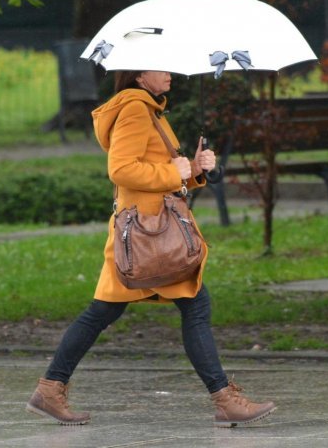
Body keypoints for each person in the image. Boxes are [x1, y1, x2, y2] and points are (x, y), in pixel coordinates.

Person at [26, 70, 276, 427]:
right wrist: (175, 172)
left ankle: (50, 389)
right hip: (149, 235)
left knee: (104, 313)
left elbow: (161, 170)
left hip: (146, 232)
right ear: (141, 75)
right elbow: (122, 170)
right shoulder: (134, 110)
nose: (170, 74)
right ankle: (225, 400)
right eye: (162, 67)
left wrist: (194, 169)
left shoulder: (150, 109)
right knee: (194, 305)